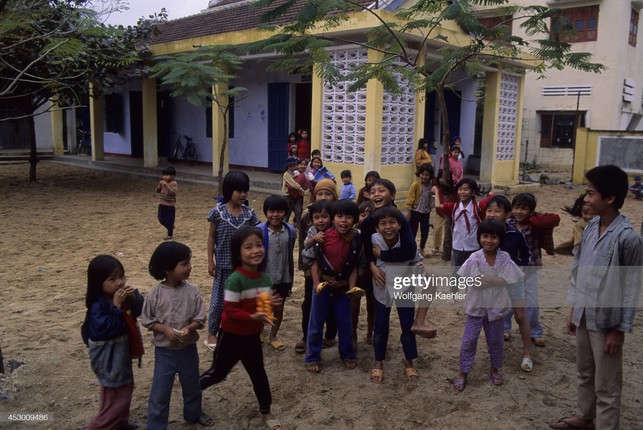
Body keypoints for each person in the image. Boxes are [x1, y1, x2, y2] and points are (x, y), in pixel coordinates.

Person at [550, 165, 643, 430]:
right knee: (585, 372)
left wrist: (618, 330)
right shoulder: (590, 228)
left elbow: (631, 287)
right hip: (584, 315)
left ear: (610, 198)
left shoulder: (627, 239)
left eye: (591, 194)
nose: (586, 199)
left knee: (607, 384)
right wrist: (573, 310)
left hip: (607, 321)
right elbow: (578, 271)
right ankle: (585, 416)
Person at [200, 226, 283, 430]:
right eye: (248, 247)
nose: (255, 250)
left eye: (258, 245)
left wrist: (270, 305)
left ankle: (267, 411)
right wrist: (253, 316)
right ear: (238, 253)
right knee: (218, 373)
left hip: (252, 337)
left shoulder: (264, 278)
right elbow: (230, 312)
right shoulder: (235, 279)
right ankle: (191, 389)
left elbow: (263, 310)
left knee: (258, 374)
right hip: (230, 336)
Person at [142, 241, 212, 429]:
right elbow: (148, 320)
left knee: (192, 387)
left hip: (188, 350)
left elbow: (200, 318)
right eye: (184, 264)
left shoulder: (193, 291)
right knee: (160, 392)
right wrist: (164, 330)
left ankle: (193, 414)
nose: (189, 267)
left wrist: (190, 328)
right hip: (164, 353)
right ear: (167, 269)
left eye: (189, 262)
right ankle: (156, 425)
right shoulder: (155, 294)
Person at [453, 219, 523, 392]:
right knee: (469, 341)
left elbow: (509, 280)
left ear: (500, 239)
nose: (488, 240)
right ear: (479, 237)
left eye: (493, 237)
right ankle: (463, 372)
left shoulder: (505, 258)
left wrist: (490, 279)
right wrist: (498, 280)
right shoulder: (474, 257)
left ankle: (494, 370)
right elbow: (476, 283)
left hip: (497, 307)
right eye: (484, 236)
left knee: (496, 341)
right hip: (476, 306)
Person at [362, 178, 435, 338]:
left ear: (392, 195)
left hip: (404, 269)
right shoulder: (368, 222)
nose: (376, 194)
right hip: (378, 270)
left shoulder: (399, 219)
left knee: (431, 277)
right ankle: (371, 337)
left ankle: (420, 321)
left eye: (381, 190)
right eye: (373, 192)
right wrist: (372, 266)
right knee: (377, 307)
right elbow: (368, 249)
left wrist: (383, 254)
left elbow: (409, 251)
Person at [83, 255, 144, 430]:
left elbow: (138, 311)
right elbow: (107, 329)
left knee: (125, 387)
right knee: (117, 395)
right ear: (98, 282)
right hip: (108, 360)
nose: (119, 282)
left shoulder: (119, 297)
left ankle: (120, 424)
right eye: (112, 279)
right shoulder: (97, 306)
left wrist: (134, 299)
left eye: (122, 277)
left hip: (120, 354)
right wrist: (116, 307)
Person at [305, 200, 364, 373]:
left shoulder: (355, 240)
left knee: (345, 323)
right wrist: (318, 283)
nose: (343, 221)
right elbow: (314, 261)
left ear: (355, 221)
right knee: (316, 323)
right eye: (339, 216)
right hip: (322, 287)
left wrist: (348, 284)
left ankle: (347, 354)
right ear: (333, 218)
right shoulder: (322, 237)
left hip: (343, 289)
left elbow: (354, 265)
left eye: (348, 217)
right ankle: (312, 357)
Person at [206, 171, 259, 350]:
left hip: (243, 268)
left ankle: (242, 331)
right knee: (219, 301)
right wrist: (210, 261)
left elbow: (256, 237)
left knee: (244, 300)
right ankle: (212, 333)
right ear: (229, 191)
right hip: (222, 266)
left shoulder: (249, 214)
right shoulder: (217, 213)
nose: (243, 195)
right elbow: (211, 237)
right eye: (239, 191)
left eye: (245, 191)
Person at [370, 206, 423, 384]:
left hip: (404, 288)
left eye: (392, 222)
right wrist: (373, 267)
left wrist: (418, 270)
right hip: (381, 290)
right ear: (377, 227)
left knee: (407, 325)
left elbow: (417, 260)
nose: (388, 227)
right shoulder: (374, 240)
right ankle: (379, 362)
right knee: (381, 327)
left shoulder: (407, 243)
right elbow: (367, 259)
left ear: (400, 225)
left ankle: (409, 362)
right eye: (383, 223)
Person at [485, 195, 534, 372]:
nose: (492, 214)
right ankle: (495, 354)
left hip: (513, 282)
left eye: (497, 210)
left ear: (507, 214)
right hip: (493, 284)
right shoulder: (485, 234)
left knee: (520, 316)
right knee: (495, 317)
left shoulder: (515, 234)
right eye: (489, 210)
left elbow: (526, 255)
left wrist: (516, 272)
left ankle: (528, 352)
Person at [507, 193, 560, 348]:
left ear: (531, 211)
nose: (519, 212)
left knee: (531, 302)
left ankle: (535, 332)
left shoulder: (535, 225)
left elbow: (554, 218)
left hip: (529, 269)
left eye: (524, 209)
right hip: (510, 269)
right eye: (516, 207)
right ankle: (505, 327)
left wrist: (534, 218)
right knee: (507, 300)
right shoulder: (508, 223)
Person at [296, 179, 339, 353]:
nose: (324, 197)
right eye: (320, 193)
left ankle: (329, 335)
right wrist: (305, 267)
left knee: (333, 304)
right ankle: (306, 337)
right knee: (309, 303)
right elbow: (302, 242)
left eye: (328, 193)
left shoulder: (338, 215)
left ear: (334, 196)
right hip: (313, 269)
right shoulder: (308, 215)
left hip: (334, 271)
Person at [257, 195, 296, 351]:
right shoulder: (259, 230)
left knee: (278, 308)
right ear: (266, 212)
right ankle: (259, 332)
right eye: (271, 211)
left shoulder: (290, 230)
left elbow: (290, 251)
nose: (275, 215)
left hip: (283, 277)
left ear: (285, 213)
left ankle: (273, 336)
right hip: (264, 278)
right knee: (262, 308)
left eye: (280, 211)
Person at [433, 178, 486, 294]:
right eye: (460, 189)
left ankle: (470, 293)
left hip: (473, 246)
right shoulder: (454, 207)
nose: (462, 192)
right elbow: (438, 206)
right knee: (455, 272)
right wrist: (437, 191)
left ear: (473, 192)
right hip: (457, 246)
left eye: (466, 189)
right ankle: (453, 293)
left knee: (472, 272)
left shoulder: (477, 208)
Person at [353, 201, 376, 347]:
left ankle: (370, 334)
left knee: (372, 308)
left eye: (370, 215)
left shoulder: (378, 235)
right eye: (362, 215)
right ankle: (353, 335)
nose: (366, 218)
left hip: (373, 276)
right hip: (356, 277)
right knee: (353, 308)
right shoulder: (353, 234)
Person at [405, 163, 435, 257]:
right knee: (413, 230)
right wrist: (409, 211)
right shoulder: (416, 185)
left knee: (425, 230)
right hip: (415, 210)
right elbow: (410, 197)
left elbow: (432, 197)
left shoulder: (432, 186)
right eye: (422, 174)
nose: (424, 177)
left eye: (427, 175)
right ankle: (411, 248)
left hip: (426, 212)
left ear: (430, 176)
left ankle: (422, 248)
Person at [156, 166, 178, 240]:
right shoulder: (162, 183)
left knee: (170, 219)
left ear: (172, 176)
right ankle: (170, 227)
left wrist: (167, 186)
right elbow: (157, 191)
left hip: (170, 205)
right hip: (162, 204)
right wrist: (159, 185)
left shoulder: (174, 183)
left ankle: (170, 234)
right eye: (164, 175)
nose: (165, 177)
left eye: (167, 175)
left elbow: (173, 192)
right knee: (161, 218)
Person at [282, 157, 305, 227]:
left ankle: (299, 226)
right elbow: (293, 184)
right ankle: (284, 225)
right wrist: (301, 189)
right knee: (287, 212)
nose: (294, 167)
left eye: (294, 165)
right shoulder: (286, 174)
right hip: (288, 196)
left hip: (296, 196)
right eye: (292, 166)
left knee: (298, 211)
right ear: (288, 166)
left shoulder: (295, 173)